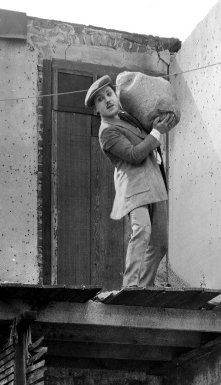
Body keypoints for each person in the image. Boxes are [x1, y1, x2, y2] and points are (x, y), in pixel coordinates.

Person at [84, 75, 174, 289]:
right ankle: (131, 286)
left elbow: (149, 135)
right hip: (134, 188)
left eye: (108, 94)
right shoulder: (107, 132)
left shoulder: (127, 117)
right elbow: (134, 155)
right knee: (142, 230)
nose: (107, 100)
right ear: (96, 109)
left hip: (154, 183)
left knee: (160, 243)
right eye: (100, 99)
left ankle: (145, 286)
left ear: (116, 95)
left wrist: (159, 124)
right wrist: (157, 132)